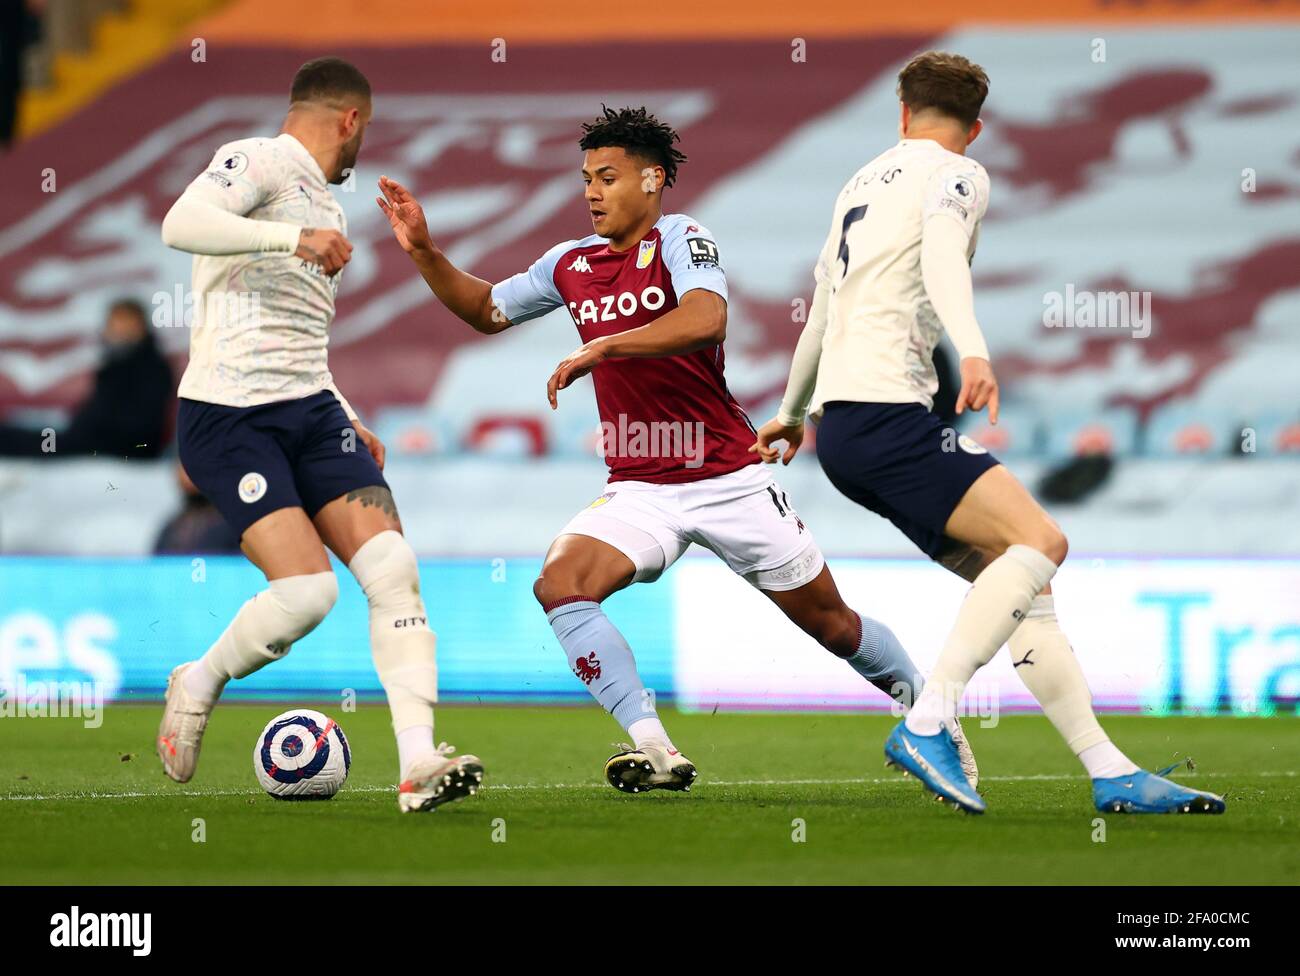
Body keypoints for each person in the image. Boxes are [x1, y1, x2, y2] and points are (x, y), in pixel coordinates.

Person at [377, 105, 977, 794]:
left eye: (607, 177)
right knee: (561, 585)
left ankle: (933, 715)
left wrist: (606, 344)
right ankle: (654, 746)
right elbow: (487, 310)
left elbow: (705, 318)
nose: (591, 192)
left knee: (834, 626)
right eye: (585, 179)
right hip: (640, 486)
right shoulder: (568, 264)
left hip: (729, 474)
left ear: (653, 180)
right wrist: (425, 252)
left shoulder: (681, 239)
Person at [752, 51, 1224, 816]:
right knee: (1043, 542)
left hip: (843, 431)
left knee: (1023, 583)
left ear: (901, 112)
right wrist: (973, 348)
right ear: (976, 127)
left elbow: (824, 309)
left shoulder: (858, 183)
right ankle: (929, 720)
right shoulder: (959, 174)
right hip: (889, 414)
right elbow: (943, 259)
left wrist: (794, 411)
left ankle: (1109, 772)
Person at [155, 56, 482, 813]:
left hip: (312, 409)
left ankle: (417, 763)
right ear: (351, 120)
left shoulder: (330, 212)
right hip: (229, 413)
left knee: (394, 566)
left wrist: (347, 409)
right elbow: (179, 224)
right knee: (305, 594)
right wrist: (288, 239)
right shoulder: (261, 159)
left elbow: (301, 336)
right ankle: (199, 678)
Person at [0, 298, 173, 458]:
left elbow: (139, 426)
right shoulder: (118, 363)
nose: (119, 331)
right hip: (96, 440)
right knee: (32, 435)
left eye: (126, 324)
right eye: (115, 324)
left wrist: (88, 429)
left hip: (118, 447)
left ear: (140, 327)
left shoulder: (151, 368)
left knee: (36, 442)